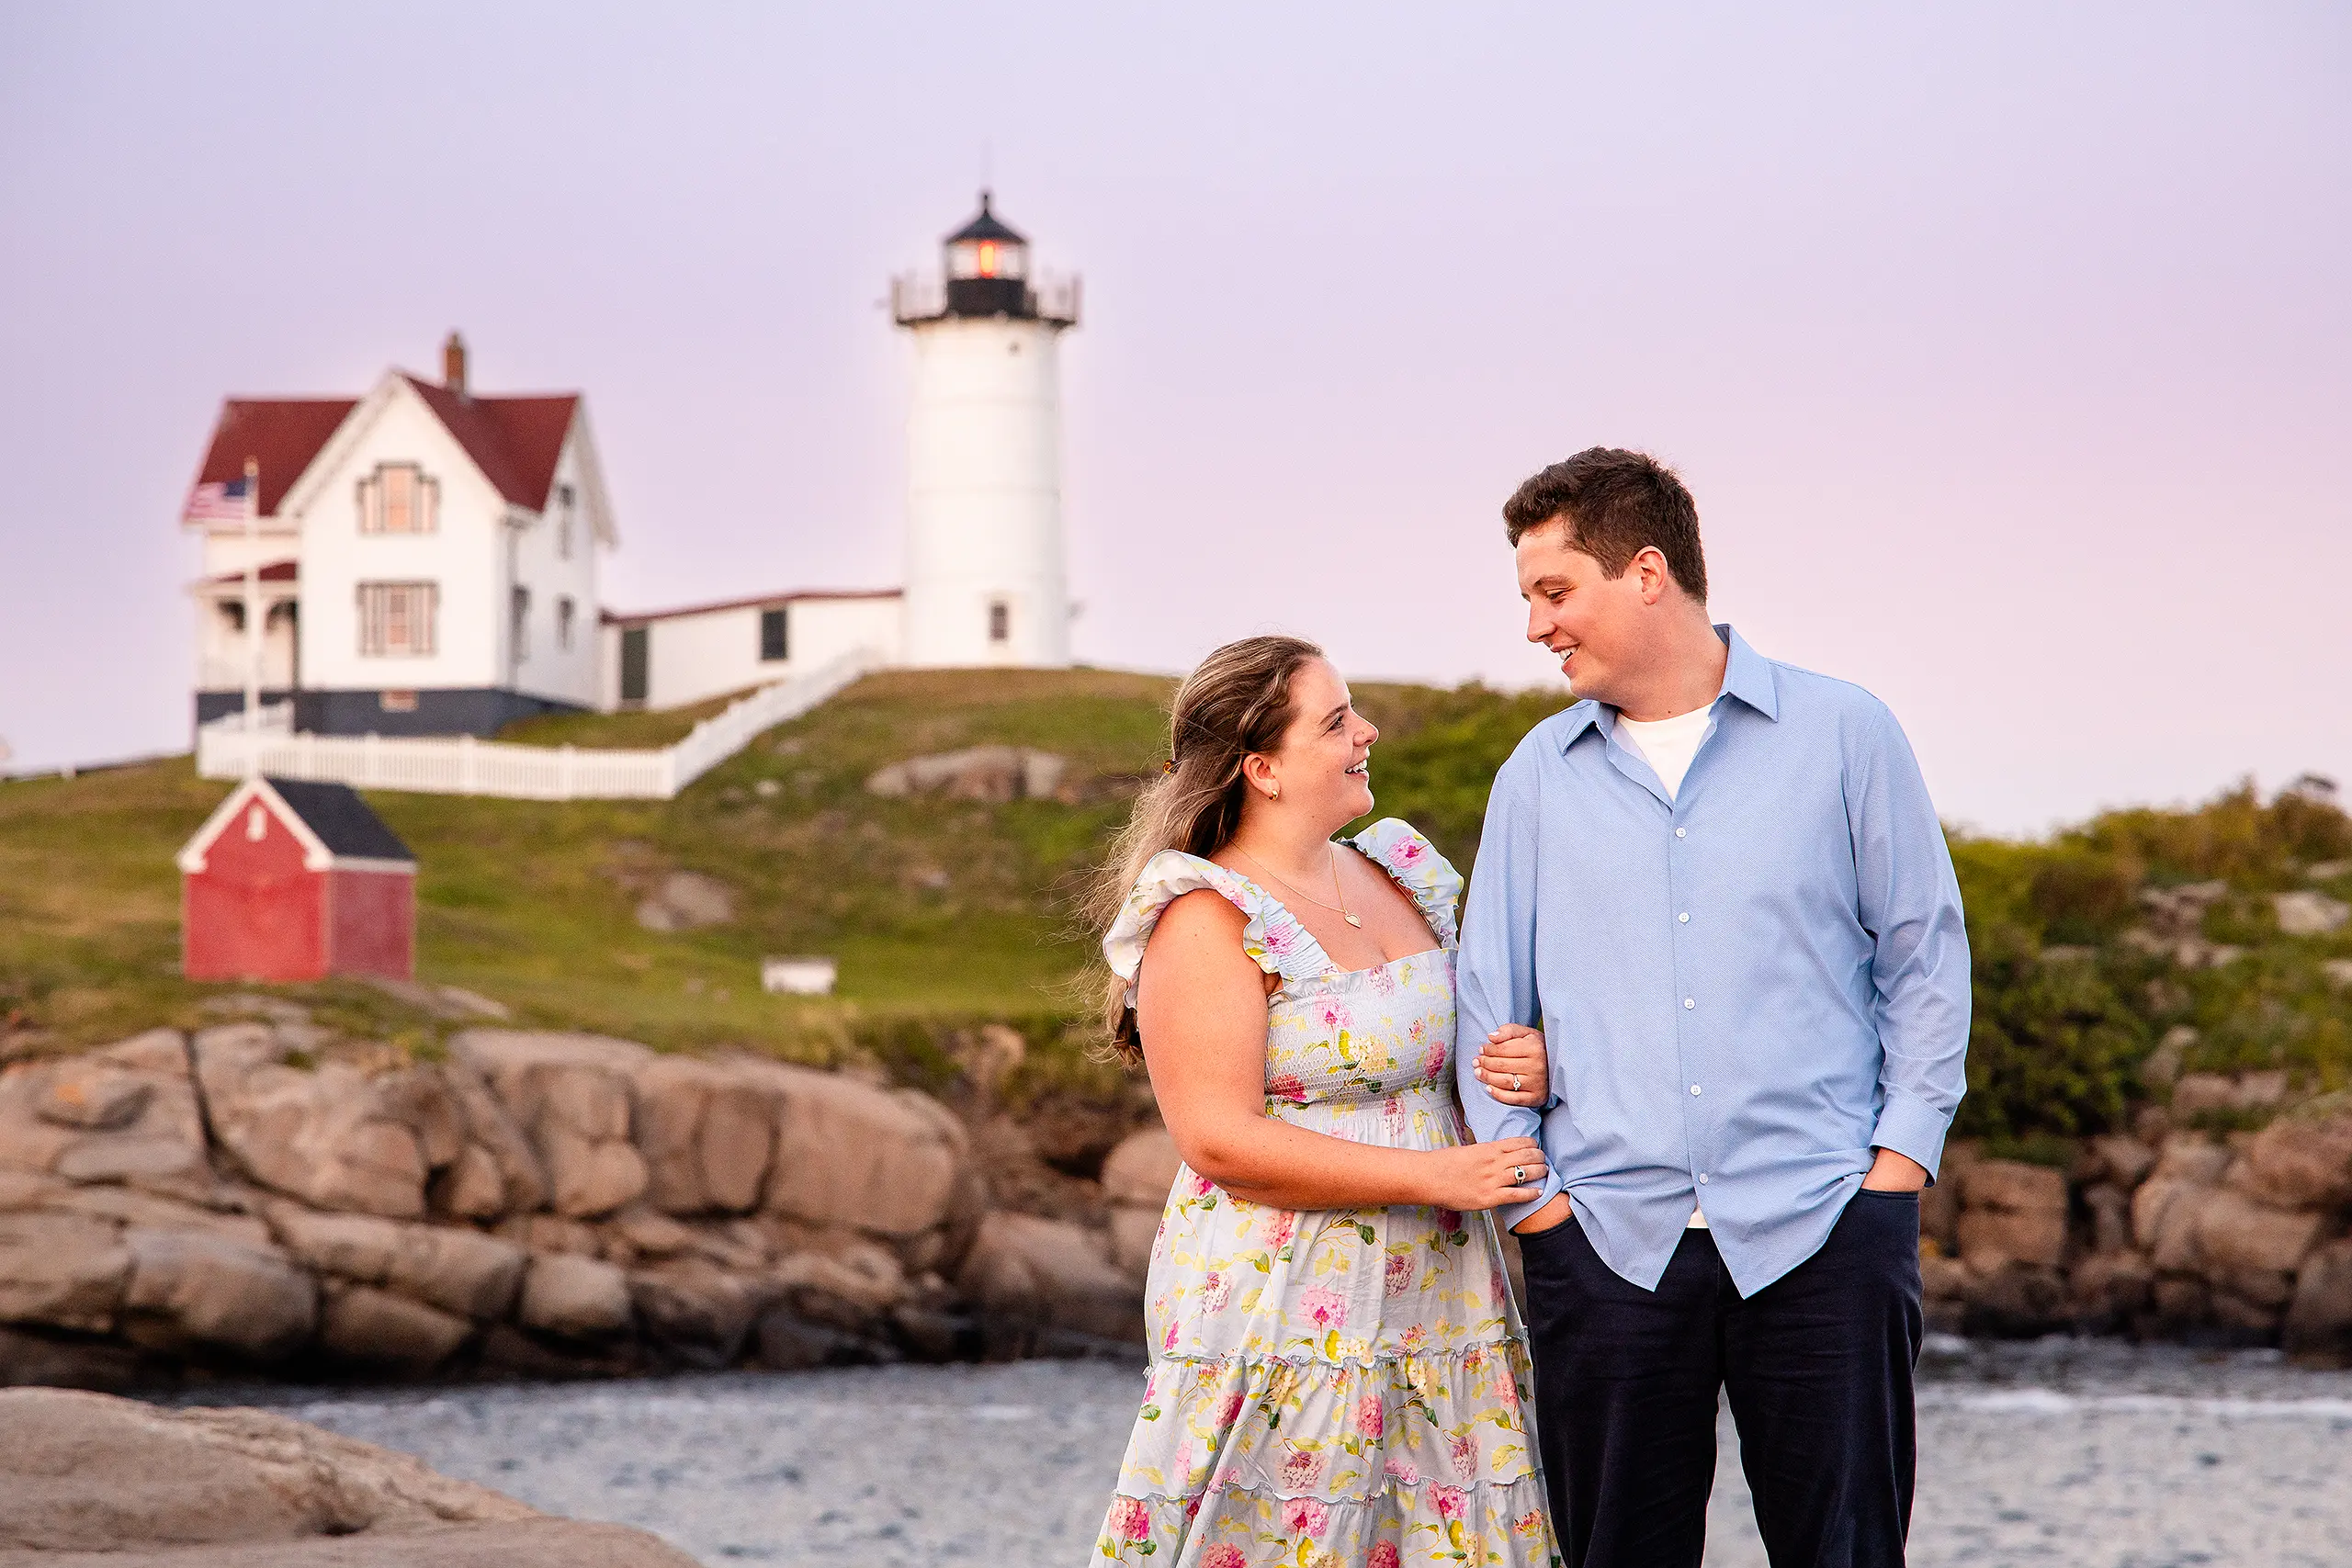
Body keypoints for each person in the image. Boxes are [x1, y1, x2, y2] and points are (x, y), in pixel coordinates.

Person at [1454, 447, 1972, 1568]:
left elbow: (1922, 958)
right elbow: (1486, 1004)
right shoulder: (1536, 777)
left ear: (1645, 573)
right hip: (1606, 1247)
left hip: (1826, 1228)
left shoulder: (1845, 734)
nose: (1536, 627)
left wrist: (1897, 1171)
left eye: (1553, 593)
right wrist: (1535, 1207)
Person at [1085, 634, 1567, 1567]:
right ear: (1262, 768)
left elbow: (1456, 1052)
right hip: (1284, 1305)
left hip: (1435, 1299)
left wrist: (1529, 1065)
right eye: (1337, 721)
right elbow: (1217, 1140)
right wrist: (1436, 1173)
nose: (1367, 732)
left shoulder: (1399, 870)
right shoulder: (1204, 914)